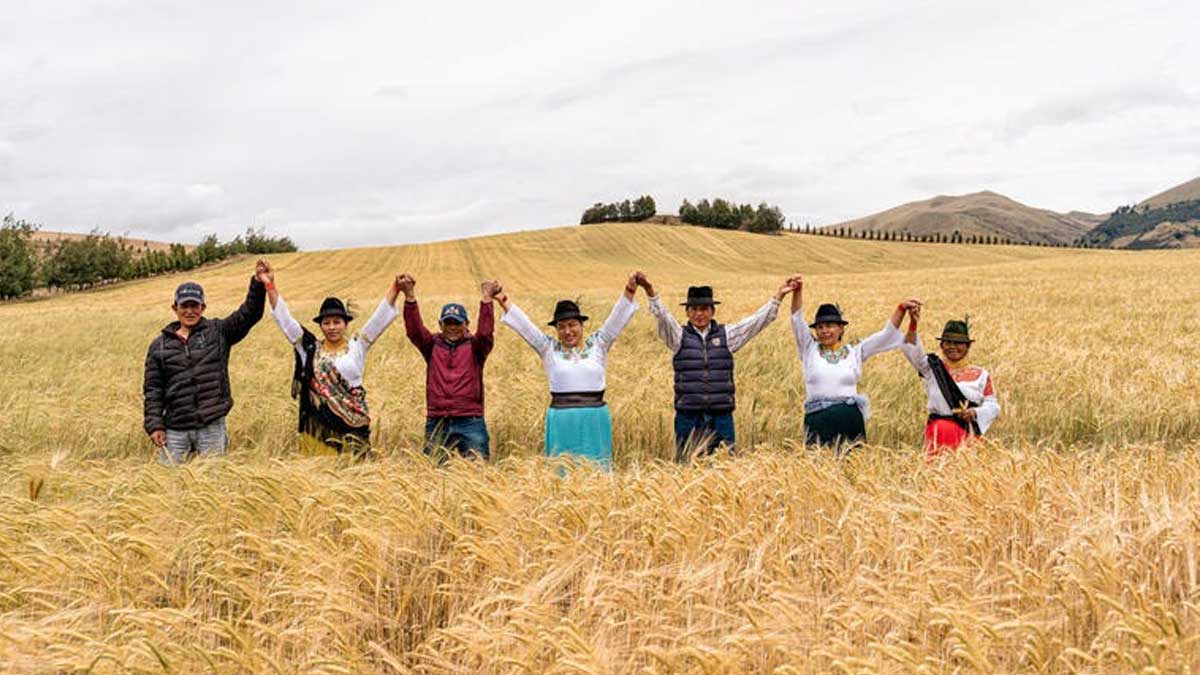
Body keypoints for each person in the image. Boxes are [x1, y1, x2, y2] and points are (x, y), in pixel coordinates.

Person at [639, 273, 797, 460]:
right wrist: (650, 291)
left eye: (704, 308)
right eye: (694, 309)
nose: (699, 314)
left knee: (725, 470)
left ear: (713, 311)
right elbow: (663, 317)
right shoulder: (678, 337)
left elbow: (754, 322)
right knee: (686, 471)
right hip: (688, 417)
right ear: (687, 312)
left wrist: (778, 297)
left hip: (721, 417)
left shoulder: (726, 335)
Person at [496, 275, 642, 469]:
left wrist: (630, 290)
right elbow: (525, 325)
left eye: (572, 325)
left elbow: (616, 319)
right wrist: (502, 299)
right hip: (561, 421)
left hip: (594, 420)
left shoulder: (599, 344)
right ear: (556, 329)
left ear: (582, 325)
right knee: (562, 473)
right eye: (561, 326)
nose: (567, 331)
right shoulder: (548, 349)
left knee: (597, 473)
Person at [260, 260, 401, 458]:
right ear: (321, 326)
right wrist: (270, 285)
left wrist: (395, 288)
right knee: (317, 479)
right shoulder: (308, 349)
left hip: (354, 426)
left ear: (345, 324)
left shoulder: (357, 345)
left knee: (356, 476)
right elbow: (286, 320)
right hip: (318, 429)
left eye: (337, 322)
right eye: (326, 322)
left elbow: (378, 320)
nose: (332, 327)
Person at [143, 265, 267, 465]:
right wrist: (155, 425)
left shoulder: (218, 332)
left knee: (213, 481)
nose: (190, 311)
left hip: (211, 425)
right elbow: (153, 390)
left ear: (203, 308)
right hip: (175, 428)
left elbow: (249, 314)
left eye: (195, 306)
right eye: (185, 306)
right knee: (168, 484)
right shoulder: (159, 346)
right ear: (175, 308)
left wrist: (258, 284)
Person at [789, 274, 920, 451]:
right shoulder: (808, 348)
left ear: (841, 328)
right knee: (818, 471)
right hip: (818, 418)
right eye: (820, 327)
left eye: (830, 326)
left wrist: (901, 309)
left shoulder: (854, 352)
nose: (824, 331)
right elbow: (797, 318)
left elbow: (885, 335)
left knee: (852, 470)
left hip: (849, 418)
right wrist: (798, 291)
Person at [398, 273, 497, 461]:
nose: (452, 327)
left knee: (478, 477)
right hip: (437, 421)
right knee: (433, 477)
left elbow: (485, 334)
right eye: (448, 323)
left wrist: (486, 300)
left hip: (470, 420)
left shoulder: (476, 347)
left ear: (467, 324)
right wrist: (409, 296)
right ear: (440, 325)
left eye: (457, 323)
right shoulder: (432, 345)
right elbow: (414, 331)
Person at [902, 312, 1000, 457]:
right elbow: (912, 351)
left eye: (958, 343)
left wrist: (975, 413)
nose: (952, 347)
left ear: (967, 346)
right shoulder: (932, 369)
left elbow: (993, 405)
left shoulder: (981, 374)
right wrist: (913, 324)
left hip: (969, 434)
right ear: (941, 345)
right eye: (948, 342)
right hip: (939, 433)